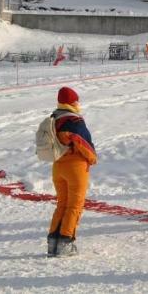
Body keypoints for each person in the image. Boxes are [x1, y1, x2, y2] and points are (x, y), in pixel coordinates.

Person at [43, 87, 97, 257]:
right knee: (74, 206)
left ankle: (53, 243)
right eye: (76, 100)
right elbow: (84, 144)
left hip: (57, 166)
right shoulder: (73, 121)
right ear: (71, 102)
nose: (78, 103)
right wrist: (93, 159)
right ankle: (66, 242)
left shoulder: (54, 118)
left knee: (62, 204)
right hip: (75, 168)